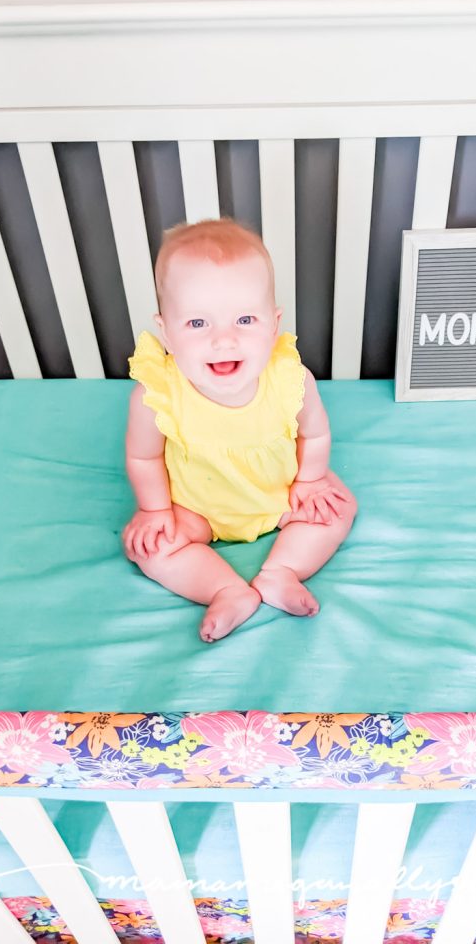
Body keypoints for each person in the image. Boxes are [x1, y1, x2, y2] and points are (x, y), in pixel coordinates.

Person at [123, 218, 357, 642]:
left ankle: (281, 573)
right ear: (166, 332)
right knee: (148, 546)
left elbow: (315, 435)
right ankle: (226, 591)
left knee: (337, 507)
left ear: (274, 323)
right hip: (195, 506)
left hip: (279, 490)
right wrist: (154, 511)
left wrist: (312, 479)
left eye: (245, 319)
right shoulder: (156, 394)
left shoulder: (291, 380)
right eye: (198, 324)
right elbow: (144, 457)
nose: (224, 340)